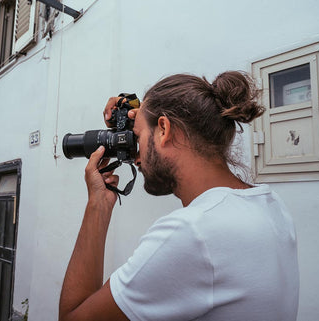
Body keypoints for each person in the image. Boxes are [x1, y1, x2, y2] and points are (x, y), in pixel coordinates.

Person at [59, 71, 299, 321]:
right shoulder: (270, 205)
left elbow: (71, 317)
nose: (136, 157)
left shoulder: (192, 233)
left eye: (138, 138)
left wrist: (98, 204)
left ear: (164, 129)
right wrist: (145, 117)